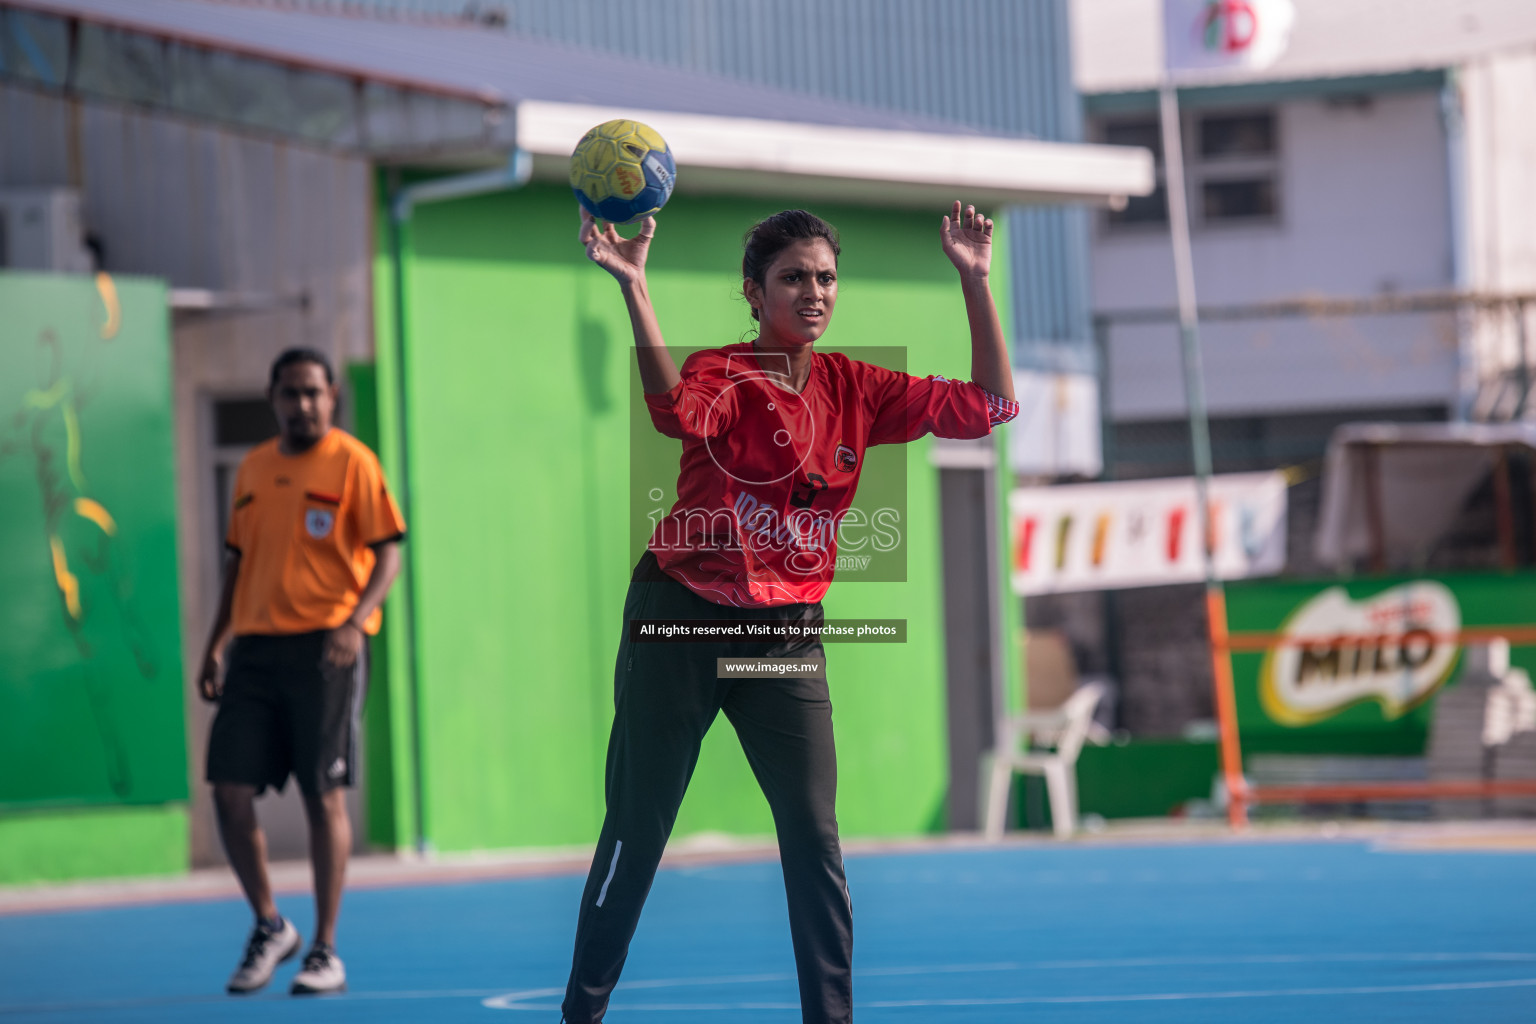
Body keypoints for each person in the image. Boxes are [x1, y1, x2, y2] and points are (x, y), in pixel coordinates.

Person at [561, 201, 1017, 1023]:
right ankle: (581, 1012)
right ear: (755, 292)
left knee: (814, 837)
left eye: (826, 277)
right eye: (794, 278)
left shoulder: (859, 387)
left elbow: (990, 407)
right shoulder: (723, 374)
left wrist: (975, 280)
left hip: (784, 634)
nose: (814, 291)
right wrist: (635, 287)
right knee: (638, 828)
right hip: (680, 619)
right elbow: (674, 416)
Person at [196, 348, 405, 996]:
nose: (302, 404)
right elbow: (237, 561)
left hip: (326, 649)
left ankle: (325, 948)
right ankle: (269, 924)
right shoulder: (253, 468)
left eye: (313, 392)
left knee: (323, 794)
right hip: (254, 649)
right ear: (273, 397)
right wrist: (215, 643)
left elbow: (389, 553)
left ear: (332, 396)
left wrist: (355, 623)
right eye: (290, 393)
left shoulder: (353, 463)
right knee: (228, 788)